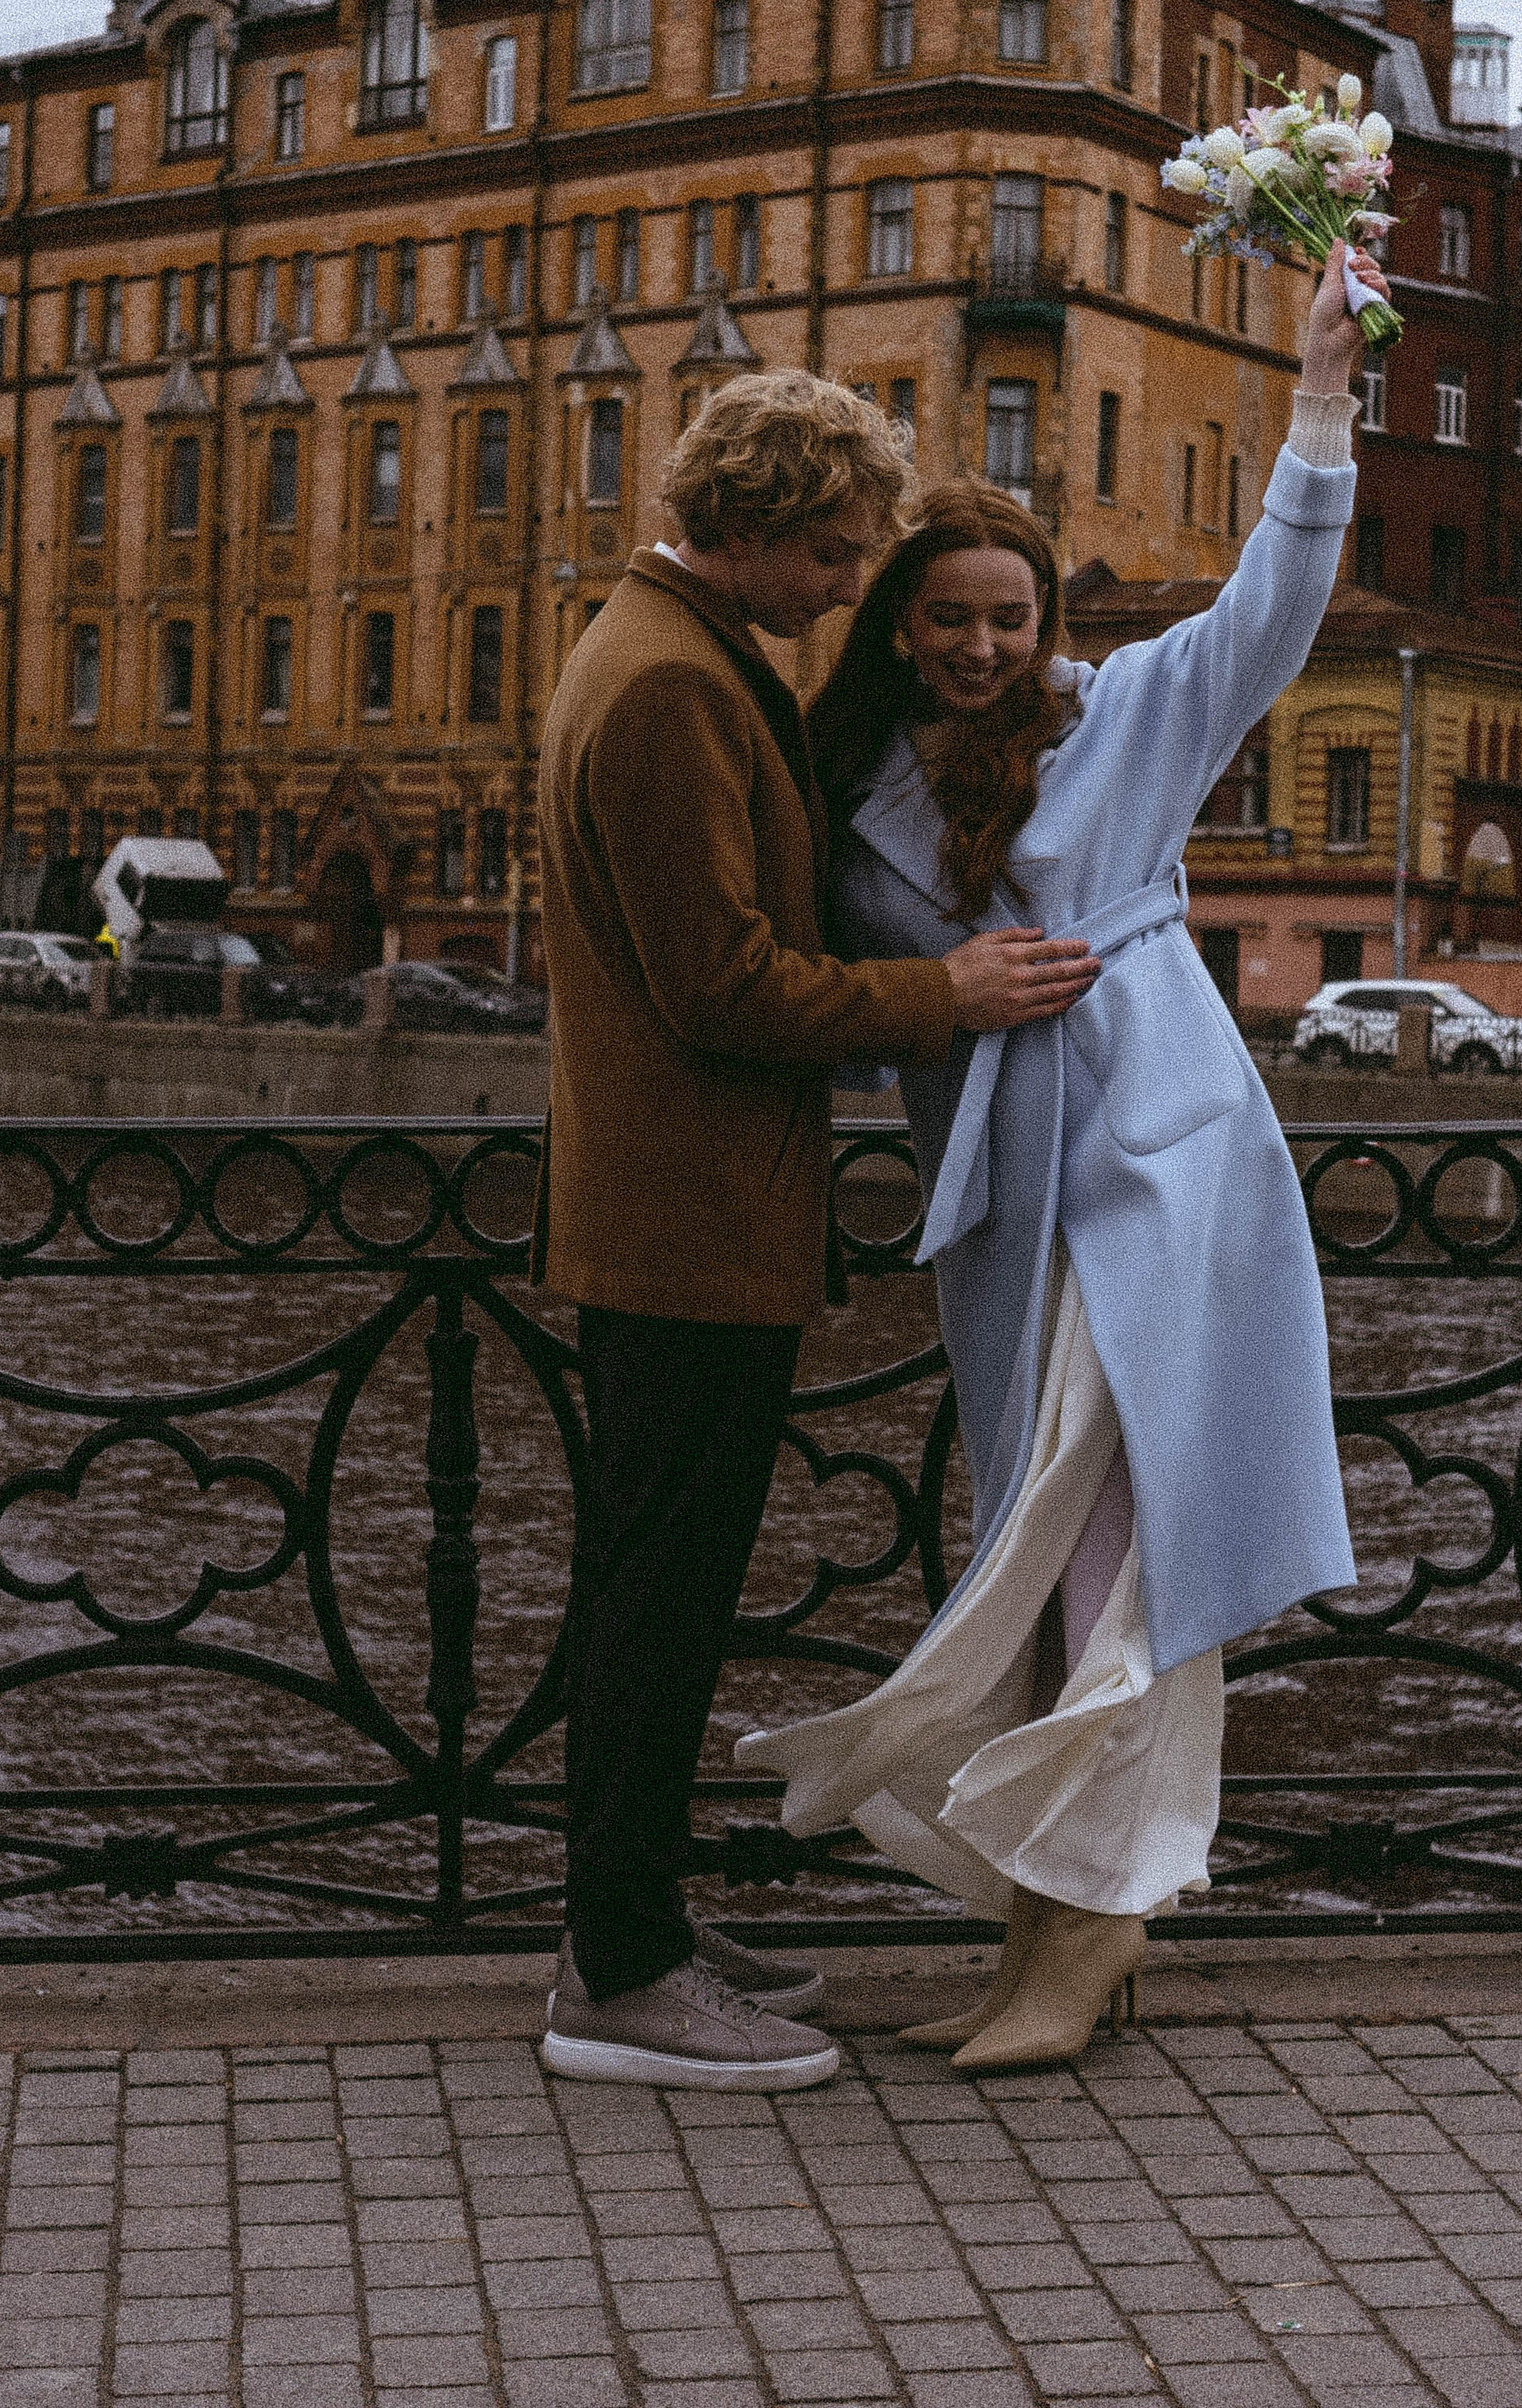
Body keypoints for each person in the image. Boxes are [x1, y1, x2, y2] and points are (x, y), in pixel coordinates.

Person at [740, 238, 1384, 2070]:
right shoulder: (856, 786)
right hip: (1002, 1204)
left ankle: (1088, 1931)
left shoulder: (1123, 722)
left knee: (1111, 1546)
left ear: (1046, 624)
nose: (979, 648)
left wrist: (1320, 395)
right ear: (897, 624)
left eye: (1008, 619)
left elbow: (1271, 603)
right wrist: (937, 993)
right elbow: (827, 980)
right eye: (946, 619)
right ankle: (1051, 1916)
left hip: (1155, 1173)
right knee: (1033, 1544)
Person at [534, 369, 1099, 2092]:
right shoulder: (670, 686)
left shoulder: (670, 650)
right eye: (839, 555)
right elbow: (720, 985)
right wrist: (945, 992)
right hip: (684, 1218)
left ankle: (628, 1920)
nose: (854, 587)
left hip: (683, 1209)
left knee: (658, 1586)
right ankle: (619, 1977)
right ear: (756, 529)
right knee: (656, 1600)